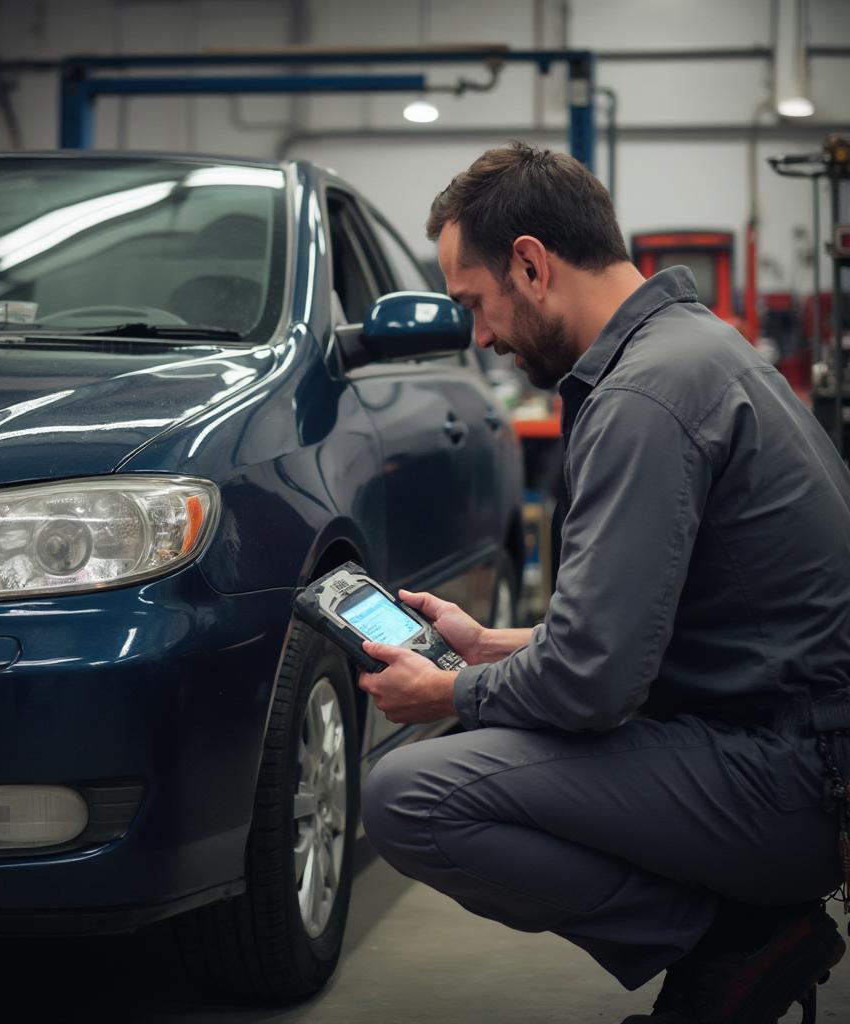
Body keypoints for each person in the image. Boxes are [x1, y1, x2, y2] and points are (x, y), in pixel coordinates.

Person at [358, 142, 850, 1024]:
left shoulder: (644, 398)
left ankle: (728, 945)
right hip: (802, 754)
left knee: (409, 795)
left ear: (532, 265)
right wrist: (493, 645)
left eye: (475, 304)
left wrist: (451, 692)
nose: (481, 337)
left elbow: (595, 681)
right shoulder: (698, 350)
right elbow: (665, 626)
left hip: (793, 782)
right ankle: (735, 933)